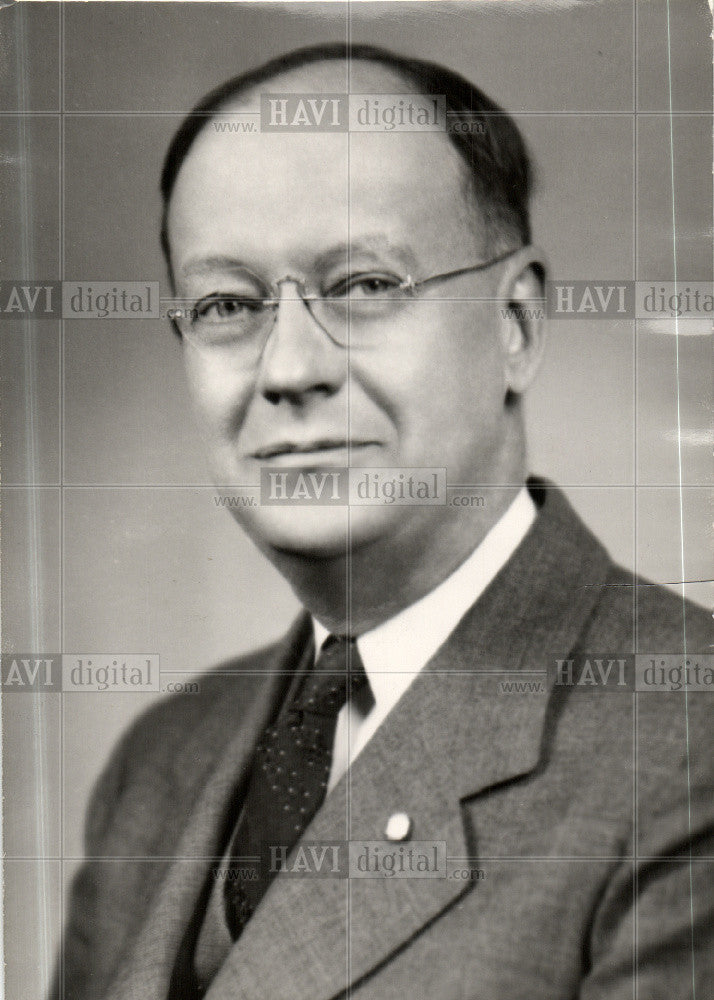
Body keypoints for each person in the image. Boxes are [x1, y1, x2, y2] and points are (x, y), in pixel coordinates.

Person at [54, 44, 712, 1000]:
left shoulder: (682, 744)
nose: (287, 370)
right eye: (227, 304)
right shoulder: (159, 763)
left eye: (363, 286)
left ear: (515, 325)